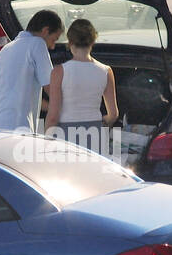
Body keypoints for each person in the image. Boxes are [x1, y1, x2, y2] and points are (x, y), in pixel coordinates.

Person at [0, 9, 64, 132]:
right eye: (54, 40)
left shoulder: (7, 48)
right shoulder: (37, 43)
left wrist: (52, 107)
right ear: (45, 31)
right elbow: (51, 88)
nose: (52, 47)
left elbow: (20, 95)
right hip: (15, 127)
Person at [46, 18, 118, 155]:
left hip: (66, 134)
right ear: (93, 41)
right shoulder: (106, 71)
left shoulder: (59, 71)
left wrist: (46, 142)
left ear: (70, 42)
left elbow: (53, 115)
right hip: (95, 132)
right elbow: (113, 114)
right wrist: (104, 123)